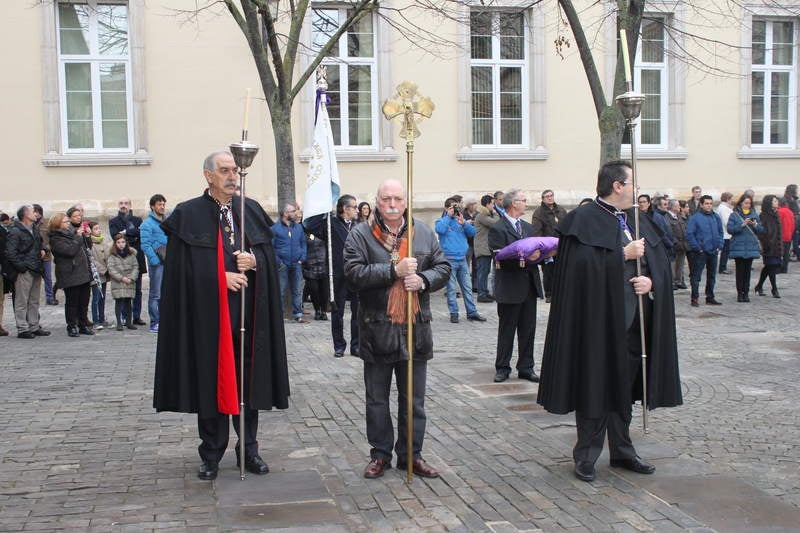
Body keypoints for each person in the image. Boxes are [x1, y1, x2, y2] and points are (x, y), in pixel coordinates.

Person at [537, 160, 682, 483]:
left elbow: (659, 260)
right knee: (596, 385)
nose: (638, 190)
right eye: (634, 183)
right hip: (598, 323)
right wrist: (622, 255)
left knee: (626, 387)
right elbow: (578, 271)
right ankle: (586, 454)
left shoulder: (637, 219)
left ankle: (623, 451)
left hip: (635, 322)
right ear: (617, 185)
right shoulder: (582, 219)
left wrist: (653, 283)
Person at [153, 150, 290, 481]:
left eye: (235, 170)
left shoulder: (251, 210)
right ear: (208, 175)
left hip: (249, 315)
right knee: (210, 384)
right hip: (208, 320)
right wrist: (219, 277)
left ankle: (250, 450)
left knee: (249, 384)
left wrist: (254, 260)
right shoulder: (188, 214)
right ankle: (211, 453)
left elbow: (272, 258)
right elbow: (179, 271)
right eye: (225, 170)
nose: (232, 176)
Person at [344, 178, 450, 479]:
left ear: (406, 201)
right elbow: (352, 274)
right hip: (377, 328)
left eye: (398, 199)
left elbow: (443, 267)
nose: (392, 204)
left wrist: (424, 280)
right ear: (377, 201)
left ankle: (411, 455)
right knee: (376, 400)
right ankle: (380, 455)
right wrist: (393, 270)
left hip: (415, 329)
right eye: (386, 199)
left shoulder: (423, 232)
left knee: (413, 401)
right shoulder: (361, 235)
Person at [488, 189, 543, 383]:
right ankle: (502, 367)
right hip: (510, 286)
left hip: (529, 285)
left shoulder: (528, 228)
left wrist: (544, 256)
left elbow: (538, 252)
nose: (526, 203)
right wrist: (526, 258)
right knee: (507, 329)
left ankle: (526, 367)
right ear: (513, 204)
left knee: (528, 329)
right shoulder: (498, 228)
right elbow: (499, 258)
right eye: (523, 200)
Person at [304, 195, 361, 357]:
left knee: (358, 312)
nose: (357, 210)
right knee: (338, 312)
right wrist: (323, 212)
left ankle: (356, 345)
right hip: (337, 274)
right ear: (345, 209)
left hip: (356, 274)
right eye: (354, 207)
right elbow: (309, 226)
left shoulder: (359, 225)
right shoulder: (331, 224)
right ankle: (339, 346)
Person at [435, 197, 485, 324]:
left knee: (467, 288)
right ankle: (454, 313)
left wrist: (464, 223)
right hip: (449, 260)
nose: (456, 209)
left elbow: (473, 233)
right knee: (451, 289)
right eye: (453, 207)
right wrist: (448, 216)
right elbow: (439, 230)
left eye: (457, 206)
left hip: (462, 259)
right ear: (446, 208)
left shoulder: (460, 221)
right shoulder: (441, 221)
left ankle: (472, 312)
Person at [5, 205, 50, 339]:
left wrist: (43, 249)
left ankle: (34, 326)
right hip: (25, 270)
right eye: (32, 211)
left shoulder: (34, 228)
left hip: (36, 267)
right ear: (25, 215)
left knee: (34, 300)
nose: (35, 213)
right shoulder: (15, 231)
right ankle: (22, 328)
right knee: (21, 301)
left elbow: (39, 243)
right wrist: (22, 267)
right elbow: (10, 252)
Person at [49, 211, 94, 337]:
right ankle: (72, 326)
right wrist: (78, 237)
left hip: (82, 272)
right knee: (72, 302)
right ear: (58, 224)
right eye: (66, 221)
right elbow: (70, 251)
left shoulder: (73, 233)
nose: (69, 223)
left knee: (84, 301)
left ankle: (83, 324)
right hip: (70, 273)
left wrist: (87, 236)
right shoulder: (55, 238)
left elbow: (87, 246)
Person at [109, 197, 146, 326]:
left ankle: (136, 316)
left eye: (126, 203)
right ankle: (125, 317)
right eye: (121, 203)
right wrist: (132, 234)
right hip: (121, 260)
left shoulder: (137, 220)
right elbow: (115, 236)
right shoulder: (113, 221)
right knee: (123, 289)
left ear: (130, 205)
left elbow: (140, 233)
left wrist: (125, 232)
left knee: (138, 289)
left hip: (137, 258)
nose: (123, 205)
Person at [686, 195, 724, 307]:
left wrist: (719, 245)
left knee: (712, 276)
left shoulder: (716, 217)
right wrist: (698, 247)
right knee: (696, 276)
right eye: (706, 203)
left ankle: (710, 297)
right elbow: (689, 234)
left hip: (713, 250)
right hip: (701, 252)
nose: (709, 206)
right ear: (701, 205)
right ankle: (695, 298)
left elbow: (720, 232)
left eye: (710, 203)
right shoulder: (695, 218)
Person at [272, 203, 307, 323]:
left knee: (297, 290)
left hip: (297, 263)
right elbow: (271, 248)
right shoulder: (275, 228)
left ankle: (298, 314)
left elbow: (303, 244)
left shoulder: (298, 227)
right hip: (282, 265)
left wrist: (302, 258)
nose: (295, 214)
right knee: (280, 290)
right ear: (286, 213)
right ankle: (279, 315)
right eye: (293, 211)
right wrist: (279, 262)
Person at [531, 189, 567, 303]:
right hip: (548, 247)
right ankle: (549, 294)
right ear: (543, 199)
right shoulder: (538, 212)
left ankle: (561, 291)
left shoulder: (561, 210)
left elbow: (567, 225)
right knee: (548, 271)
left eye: (551, 195)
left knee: (562, 270)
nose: (550, 198)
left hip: (561, 246)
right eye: (547, 196)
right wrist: (542, 247)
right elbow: (537, 232)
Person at [139, 194, 168, 333]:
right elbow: (145, 245)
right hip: (157, 264)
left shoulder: (166, 221)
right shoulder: (147, 224)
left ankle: (165, 320)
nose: (162, 207)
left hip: (167, 261)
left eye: (163, 204)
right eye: (159, 204)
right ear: (152, 206)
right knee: (156, 294)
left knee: (166, 292)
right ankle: (155, 321)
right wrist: (155, 261)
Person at [726, 194, 762, 303]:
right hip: (738, 247)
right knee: (740, 272)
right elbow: (730, 229)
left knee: (748, 272)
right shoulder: (734, 215)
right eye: (746, 203)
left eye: (749, 203)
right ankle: (739, 293)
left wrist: (755, 224)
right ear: (741, 203)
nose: (748, 205)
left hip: (750, 247)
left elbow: (761, 230)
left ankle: (746, 293)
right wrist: (742, 225)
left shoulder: (754, 215)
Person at [108, 233, 140, 331]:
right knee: (119, 302)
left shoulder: (131, 254)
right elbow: (111, 269)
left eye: (123, 242)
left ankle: (129, 322)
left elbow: (136, 267)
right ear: (115, 244)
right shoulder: (112, 255)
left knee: (128, 302)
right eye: (118, 242)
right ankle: (119, 323)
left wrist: (131, 277)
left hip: (129, 280)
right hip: (118, 281)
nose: (121, 244)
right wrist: (121, 278)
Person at [754, 194, 783, 298]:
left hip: (776, 246)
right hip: (768, 246)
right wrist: (767, 243)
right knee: (771, 267)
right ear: (769, 203)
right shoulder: (763, 216)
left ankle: (759, 286)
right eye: (775, 201)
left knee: (770, 267)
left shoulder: (776, 214)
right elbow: (762, 232)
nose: (777, 202)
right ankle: (774, 289)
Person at [473, 194, 498, 303]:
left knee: (485, 271)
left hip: (486, 248)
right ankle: (481, 294)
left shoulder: (485, 214)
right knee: (483, 272)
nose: (494, 206)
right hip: (482, 248)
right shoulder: (482, 216)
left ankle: (484, 292)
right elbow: (495, 223)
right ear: (487, 204)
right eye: (493, 203)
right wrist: (496, 213)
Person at [301, 225, 328, 321]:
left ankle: (324, 311)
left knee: (324, 290)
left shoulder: (325, 230)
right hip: (310, 265)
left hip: (324, 264)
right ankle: (317, 310)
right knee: (314, 290)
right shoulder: (306, 232)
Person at [88, 221, 112, 329]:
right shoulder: (90, 243)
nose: (98, 230)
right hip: (96, 275)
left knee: (103, 297)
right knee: (96, 298)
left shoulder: (103, 241)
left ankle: (102, 318)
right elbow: (92, 260)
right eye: (96, 229)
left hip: (105, 274)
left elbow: (108, 256)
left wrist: (109, 267)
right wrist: (103, 270)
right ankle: (96, 320)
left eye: (99, 228)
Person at [33, 204, 58, 305]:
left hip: (46, 256)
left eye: (34, 211)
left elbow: (52, 240)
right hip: (33, 257)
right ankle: (34, 299)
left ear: (39, 212)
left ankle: (50, 297)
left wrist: (45, 249)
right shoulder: (29, 224)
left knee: (48, 278)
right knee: (34, 279)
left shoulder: (47, 223)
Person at [665, 199, 688, 290]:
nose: (679, 207)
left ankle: (679, 280)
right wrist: (675, 242)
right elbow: (669, 231)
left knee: (681, 264)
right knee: (673, 265)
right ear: (673, 207)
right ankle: (673, 281)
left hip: (682, 244)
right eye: (678, 205)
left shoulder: (679, 216)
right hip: (674, 244)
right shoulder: (667, 217)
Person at [716, 192, 734, 274]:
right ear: (727, 199)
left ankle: (723, 267)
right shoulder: (723, 208)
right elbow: (726, 221)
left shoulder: (723, 207)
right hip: (725, 234)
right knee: (725, 252)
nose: (732, 201)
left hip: (726, 233)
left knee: (725, 251)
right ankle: (722, 267)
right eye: (731, 199)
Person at [777, 198, 795, 273]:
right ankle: (785, 268)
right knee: (786, 254)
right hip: (789, 235)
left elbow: (778, 224)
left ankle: (778, 268)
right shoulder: (790, 212)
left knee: (778, 253)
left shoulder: (779, 211)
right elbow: (793, 225)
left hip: (781, 236)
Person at [782, 184, 799, 260]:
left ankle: (787, 256)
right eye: (796, 190)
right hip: (792, 224)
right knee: (792, 242)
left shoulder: (788, 199)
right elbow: (794, 213)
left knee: (789, 242)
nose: (797, 191)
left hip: (790, 223)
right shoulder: (790, 200)